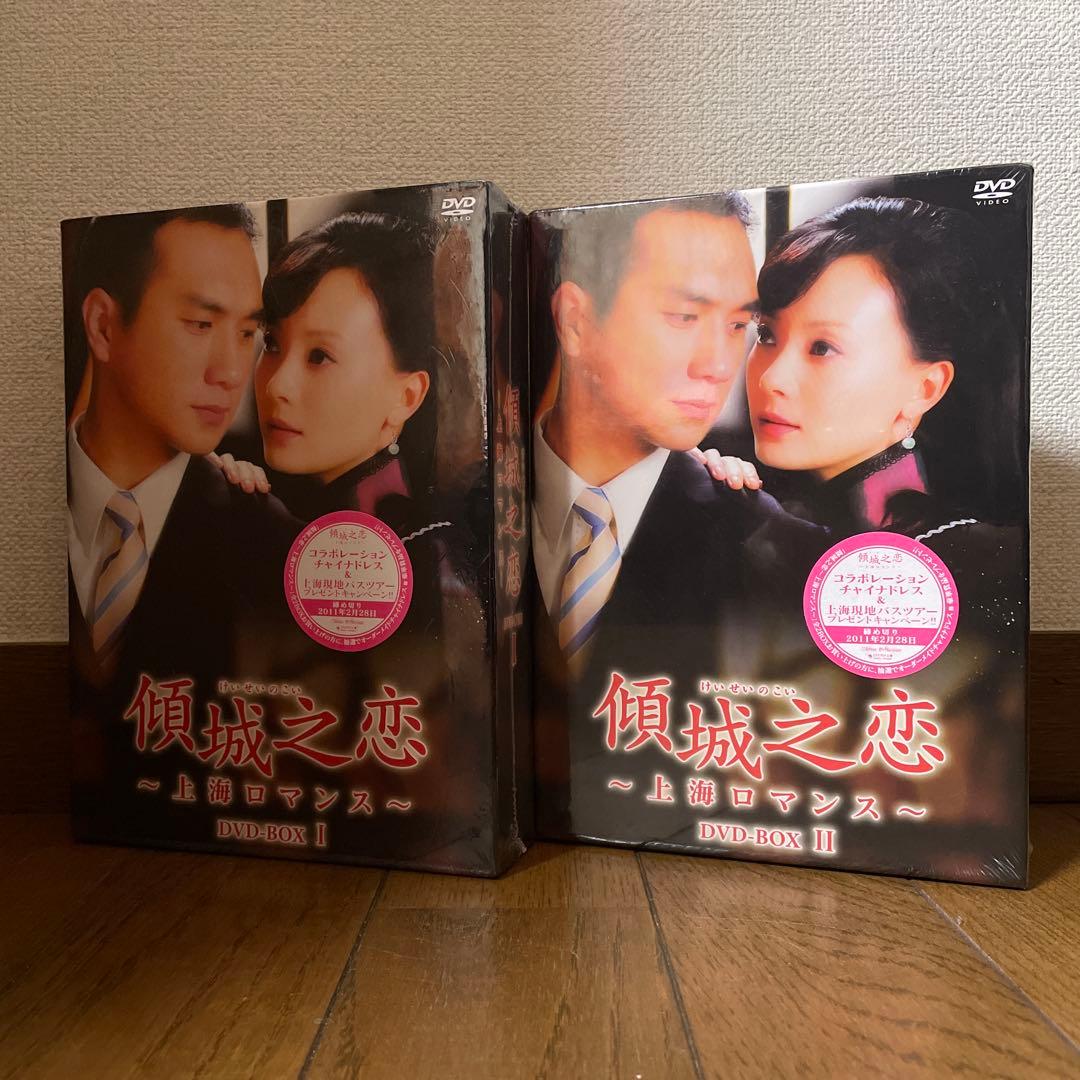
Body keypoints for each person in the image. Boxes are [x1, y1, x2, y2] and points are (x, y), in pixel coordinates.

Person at [696, 197, 1027, 877]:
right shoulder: (731, 501)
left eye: (823, 347)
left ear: (925, 387)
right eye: (766, 335)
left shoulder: (979, 560)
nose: (772, 377)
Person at [532, 195, 824, 841]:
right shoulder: (462, 507)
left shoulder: (764, 539)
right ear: (576, 321)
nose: (717, 365)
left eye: (739, 325)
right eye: (684, 316)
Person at [67, 204, 297, 840]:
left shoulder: (262, 534)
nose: (231, 372)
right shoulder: (48, 500)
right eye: (200, 324)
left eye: (248, 333)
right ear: (104, 326)